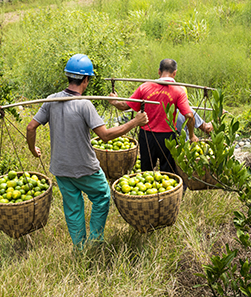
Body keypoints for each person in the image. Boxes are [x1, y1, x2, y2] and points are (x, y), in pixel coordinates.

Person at [26, 54, 148, 249]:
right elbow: (106, 135)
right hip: (85, 167)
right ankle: (96, 239)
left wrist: (33, 150)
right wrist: (135, 122)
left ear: (68, 77)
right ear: (85, 79)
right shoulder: (85, 104)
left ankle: (80, 248)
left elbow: (31, 127)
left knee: (73, 208)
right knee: (102, 196)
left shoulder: (51, 100)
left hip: (60, 167)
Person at [108, 58, 198, 174]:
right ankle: (168, 192)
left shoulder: (145, 87)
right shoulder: (179, 91)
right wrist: (192, 135)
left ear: (159, 72)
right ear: (174, 73)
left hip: (146, 136)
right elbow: (189, 116)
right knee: (168, 173)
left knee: (146, 171)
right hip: (168, 137)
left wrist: (114, 101)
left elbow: (125, 105)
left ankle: (147, 191)